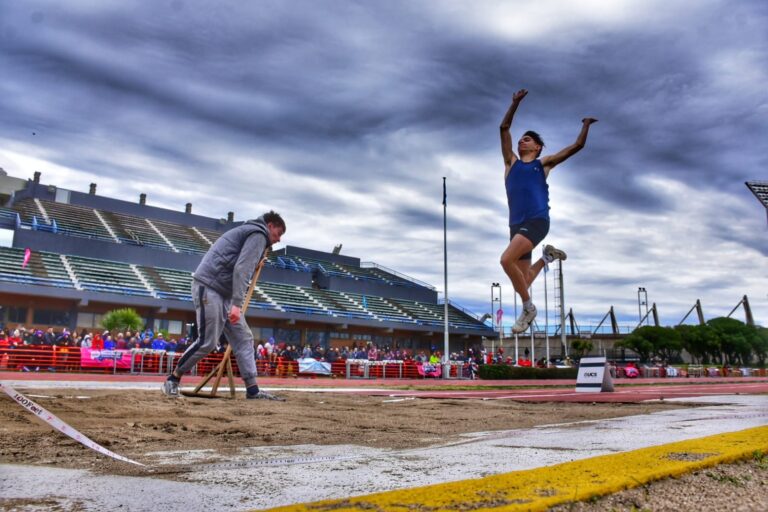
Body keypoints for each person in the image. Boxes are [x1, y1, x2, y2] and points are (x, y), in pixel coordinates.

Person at [499, 88, 597, 333]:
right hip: (516, 225)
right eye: (521, 138)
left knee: (505, 260)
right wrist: (515, 104)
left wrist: (585, 125)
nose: (522, 140)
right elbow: (504, 128)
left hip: (536, 221)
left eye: (528, 139)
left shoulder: (544, 164)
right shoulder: (511, 163)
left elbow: (577, 146)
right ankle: (547, 257)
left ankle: (528, 308)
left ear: (538, 147)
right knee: (523, 280)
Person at [162, 211, 286, 400]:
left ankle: (252, 390)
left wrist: (255, 263)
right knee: (208, 341)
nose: (278, 240)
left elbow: (240, 262)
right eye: (278, 234)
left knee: (243, 338)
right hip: (210, 287)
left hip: (224, 293)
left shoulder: (252, 234)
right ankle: (172, 379)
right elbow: (241, 269)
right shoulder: (259, 234)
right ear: (269, 226)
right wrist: (237, 304)